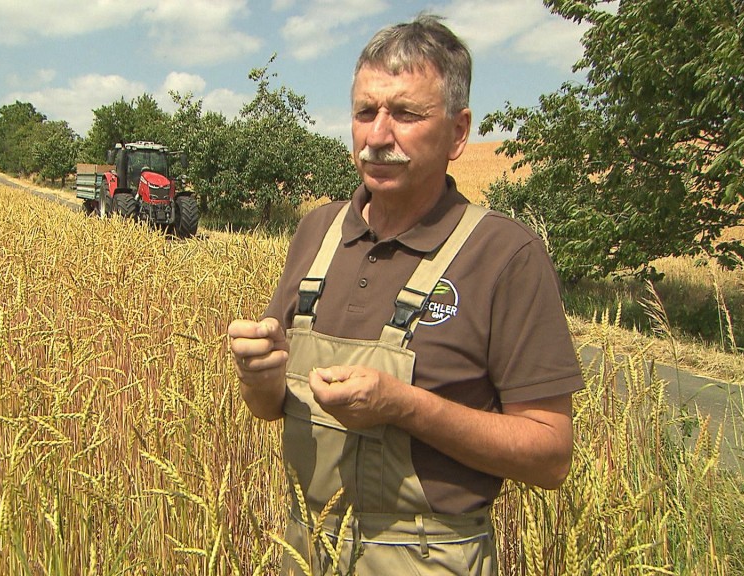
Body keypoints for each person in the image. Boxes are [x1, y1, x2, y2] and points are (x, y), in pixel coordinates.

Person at [227, 12, 583, 576]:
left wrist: (404, 406)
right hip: (304, 546)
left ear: (459, 132)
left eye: (407, 114)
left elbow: (550, 454)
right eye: (365, 112)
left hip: (426, 556)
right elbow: (269, 409)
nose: (377, 136)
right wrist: (260, 378)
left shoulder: (504, 256)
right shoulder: (316, 232)